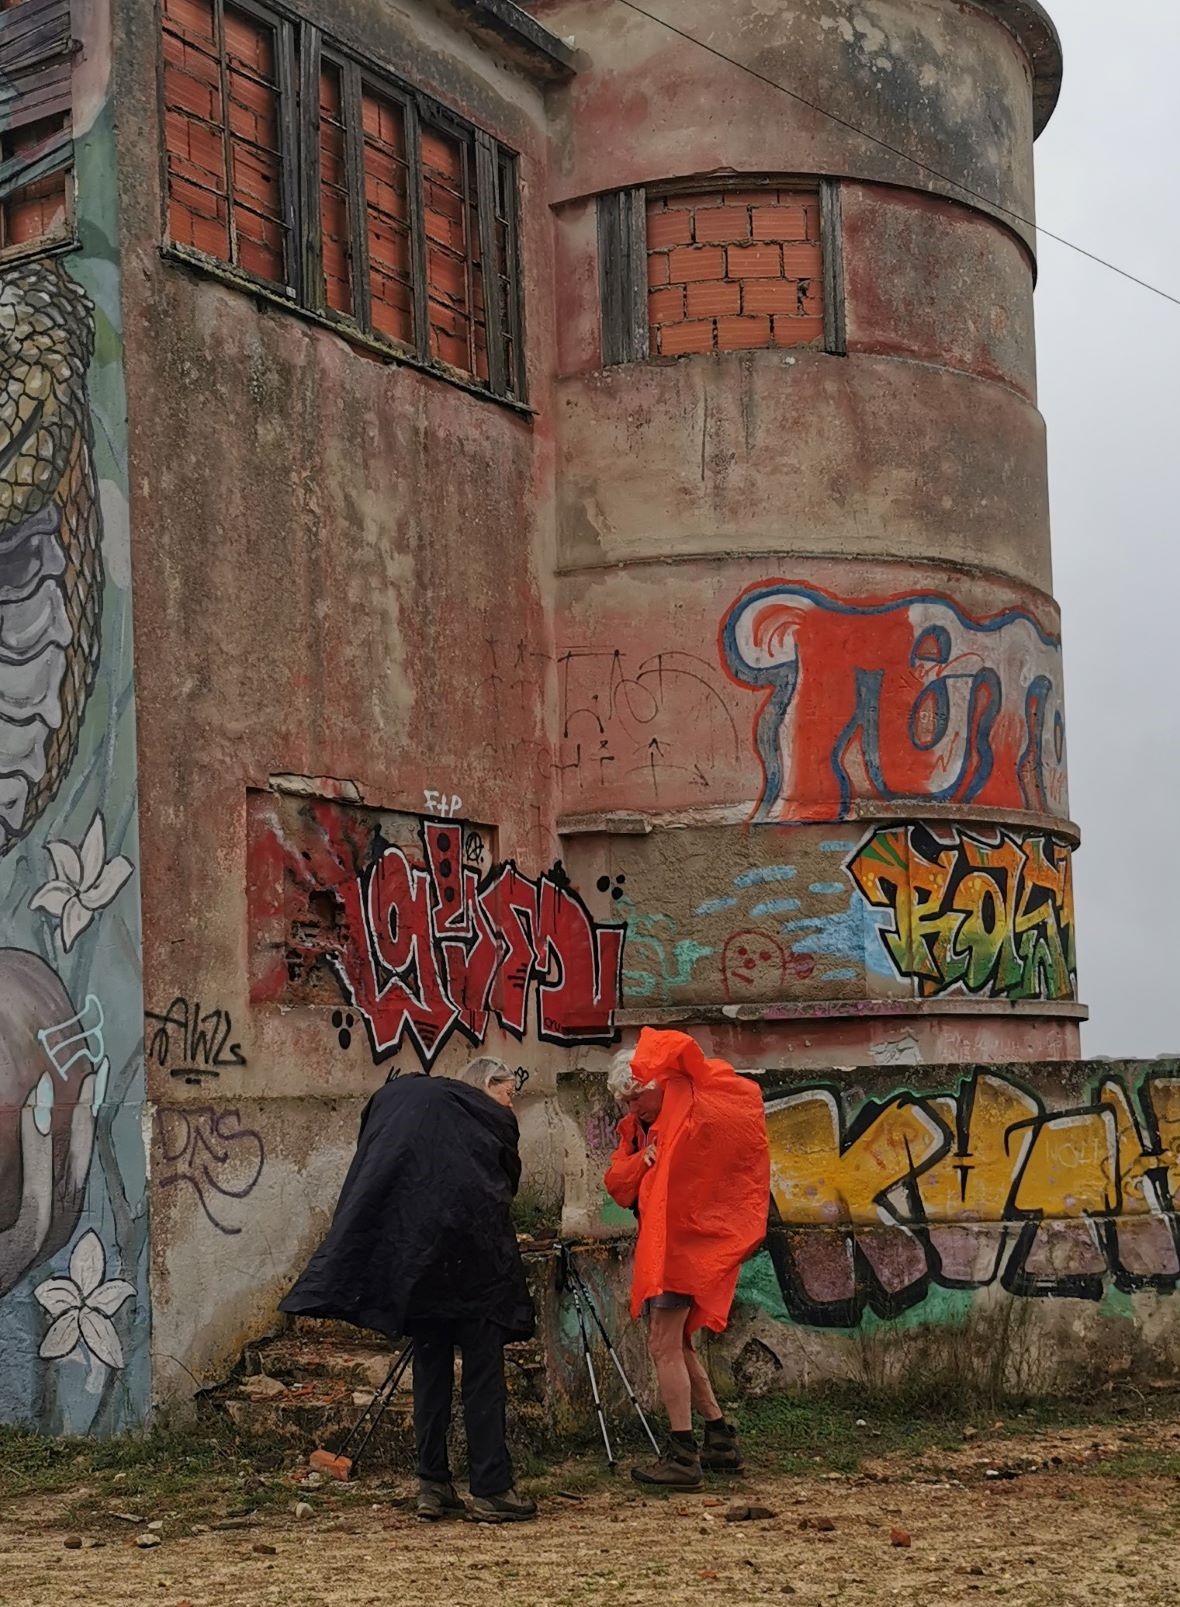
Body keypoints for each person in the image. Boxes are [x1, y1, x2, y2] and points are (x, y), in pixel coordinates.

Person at [279, 1057, 537, 1524]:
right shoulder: (481, 1120)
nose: (510, 1107)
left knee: (431, 1373)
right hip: (477, 1268)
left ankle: (432, 1484)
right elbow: (503, 1188)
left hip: (423, 1266)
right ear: (482, 1087)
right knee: (482, 1375)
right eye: (507, 1093)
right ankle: (492, 1488)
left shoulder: (424, 1117)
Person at [604, 1028, 770, 1490]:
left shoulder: (685, 1103)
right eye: (627, 1102)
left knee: (662, 1345)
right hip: (670, 1248)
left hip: (677, 1249)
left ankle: (683, 1455)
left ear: (656, 1085)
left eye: (637, 1099)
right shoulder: (640, 1130)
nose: (632, 1109)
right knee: (679, 1346)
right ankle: (719, 1440)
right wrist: (644, 1162)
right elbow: (617, 1184)